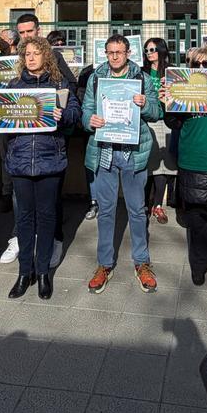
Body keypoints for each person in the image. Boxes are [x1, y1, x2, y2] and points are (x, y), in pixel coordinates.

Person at [0, 35, 81, 300]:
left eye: (36, 53)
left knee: (46, 218)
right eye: (27, 54)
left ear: (46, 55)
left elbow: (75, 113)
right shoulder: (13, 86)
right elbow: (3, 122)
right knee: (24, 219)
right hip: (21, 161)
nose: (31, 58)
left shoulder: (59, 84)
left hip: (49, 161)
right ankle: (25, 272)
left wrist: (63, 114)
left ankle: (43, 271)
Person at [82, 33, 165, 293]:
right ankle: (104, 264)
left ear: (128, 53)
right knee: (106, 211)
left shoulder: (141, 78)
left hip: (133, 152)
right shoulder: (96, 78)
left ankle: (141, 262)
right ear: (105, 53)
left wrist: (145, 104)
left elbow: (157, 111)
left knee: (137, 210)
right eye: (110, 52)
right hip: (105, 151)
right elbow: (86, 109)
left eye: (119, 52)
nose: (114, 57)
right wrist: (90, 121)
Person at [164, 46, 207, 291]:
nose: (202, 68)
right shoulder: (182, 88)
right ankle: (198, 267)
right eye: (197, 65)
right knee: (197, 224)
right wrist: (168, 103)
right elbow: (172, 122)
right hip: (192, 162)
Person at [143, 37, 176, 225]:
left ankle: (157, 205)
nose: (149, 53)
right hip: (149, 121)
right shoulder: (142, 72)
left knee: (163, 166)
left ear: (162, 50)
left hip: (167, 121)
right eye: (147, 50)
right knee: (149, 165)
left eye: (153, 49)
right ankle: (145, 205)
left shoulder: (172, 72)